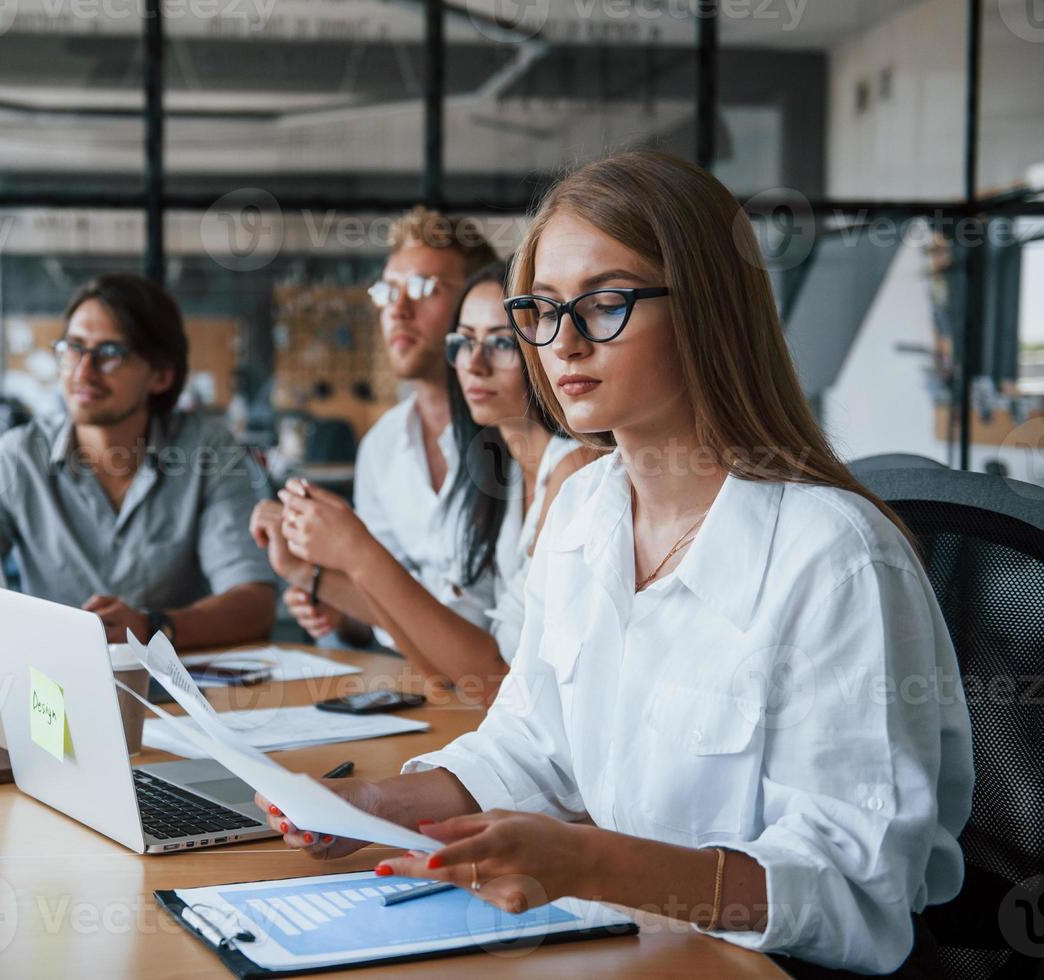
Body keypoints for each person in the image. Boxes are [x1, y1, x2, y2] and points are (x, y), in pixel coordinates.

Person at [255, 150, 973, 976]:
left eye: (604, 304)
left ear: (706, 309)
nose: (562, 343)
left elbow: (853, 894)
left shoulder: (834, 558)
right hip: (611, 943)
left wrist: (589, 861)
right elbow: (531, 748)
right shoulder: (586, 511)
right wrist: (372, 805)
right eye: (544, 309)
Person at [263, 263, 601, 704]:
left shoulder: (576, 471)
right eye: (464, 342)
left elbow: (499, 681)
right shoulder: (501, 475)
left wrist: (357, 552)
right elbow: (444, 672)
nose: (475, 365)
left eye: (501, 342)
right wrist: (305, 571)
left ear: (544, 347)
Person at [0, 273, 276, 649]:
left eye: (110, 353)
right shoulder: (16, 458)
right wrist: (51, 640)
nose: (83, 371)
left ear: (160, 375)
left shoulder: (208, 452)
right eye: (73, 348)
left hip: (175, 693)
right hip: (48, 695)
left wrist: (153, 628)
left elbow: (253, 603)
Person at [252, 207, 500, 649]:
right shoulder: (381, 446)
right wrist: (338, 607)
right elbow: (384, 604)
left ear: (476, 300)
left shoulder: (518, 438)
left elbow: (484, 634)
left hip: (496, 683)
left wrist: (331, 570)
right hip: (412, 673)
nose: (398, 309)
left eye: (423, 288)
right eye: (387, 291)